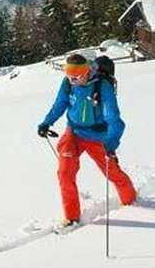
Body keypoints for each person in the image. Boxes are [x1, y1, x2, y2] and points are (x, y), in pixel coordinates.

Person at [36, 53, 136, 227]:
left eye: (77, 73)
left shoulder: (102, 86)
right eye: (69, 73)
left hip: (99, 137)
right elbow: (60, 103)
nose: (73, 78)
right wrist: (47, 122)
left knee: (112, 173)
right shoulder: (68, 83)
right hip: (73, 132)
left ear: (87, 70)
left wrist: (111, 142)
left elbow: (115, 120)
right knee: (65, 173)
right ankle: (71, 217)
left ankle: (131, 201)